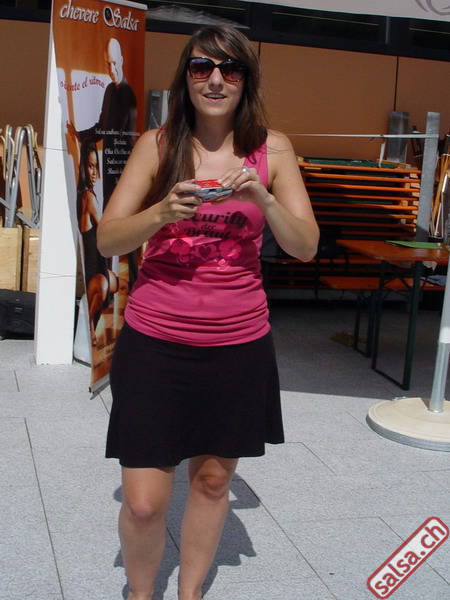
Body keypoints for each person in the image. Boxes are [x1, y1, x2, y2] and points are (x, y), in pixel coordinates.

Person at [97, 25, 319, 600]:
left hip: (238, 344)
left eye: (230, 68)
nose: (216, 80)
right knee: (144, 503)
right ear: (186, 78)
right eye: (202, 67)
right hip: (155, 342)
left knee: (214, 481)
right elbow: (108, 239)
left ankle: (190, 593)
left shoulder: (273, 149)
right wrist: (160, 213)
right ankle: (140, 593)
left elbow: (305, 245)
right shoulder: (157, 145)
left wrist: (263, 199)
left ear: (246, 79)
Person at [69, 37, 137, 209]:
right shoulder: (109, 90)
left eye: (114, 63)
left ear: (122, 60)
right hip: (108, 168)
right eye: (108, 64)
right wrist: (79, 134)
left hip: (125, 172)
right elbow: (101, 127)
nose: (111, 70)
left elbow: (128, 138)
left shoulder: (129, 94)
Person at [77, 140, 118, 345]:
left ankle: (96, 323)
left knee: (115, 283)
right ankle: (91, 326)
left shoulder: (86, 194)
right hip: (94, 270)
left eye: (95, 166)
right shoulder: (89, 198)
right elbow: (107, 229)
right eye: (89, 166)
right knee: (104, 286)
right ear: (83, 168)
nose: (93, 172)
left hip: (99, 266)